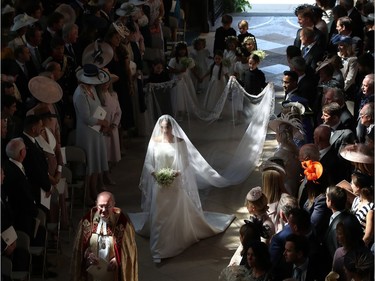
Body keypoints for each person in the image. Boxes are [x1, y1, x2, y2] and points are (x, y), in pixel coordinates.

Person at [129, 115, 235, 263]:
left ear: (172, 127)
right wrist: (156, 174)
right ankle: (158, 249)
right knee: (159, 215)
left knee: (175, 213)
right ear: (160, 128)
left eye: (168, 127)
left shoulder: (180, 142)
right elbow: (148, 163)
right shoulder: (154, 142)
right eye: (163, 127)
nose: (165, 130)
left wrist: (173, 174)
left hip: (174, 182)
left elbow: (184, 165)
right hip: (158, 183)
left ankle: (175, 240)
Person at [71, 191, 138, 281]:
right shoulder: (87, 222)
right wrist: (87, 254)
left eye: (108, 206)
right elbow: (79, 248)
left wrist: (117, 260)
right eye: (101, 206)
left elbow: (129, 252)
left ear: (113, 205)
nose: (104, 210)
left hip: (113, 274)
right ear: (96, 204)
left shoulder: (123, 224)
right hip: (92, 273)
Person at [73, 64, 111, 204]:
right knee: (89, 163)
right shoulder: (80, 94)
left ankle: (94, 189)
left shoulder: (92, 89)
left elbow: (97, 107)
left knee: (96, 162)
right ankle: (87, 193)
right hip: (87, 133)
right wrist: (103, 122)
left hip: (96, 131)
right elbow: (86, 118)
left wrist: (102, 121)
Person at [96, 69, 122, 186]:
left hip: (112, 128)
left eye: (108, 82)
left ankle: (107, 174)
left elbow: (118, 112)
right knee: (104, 155)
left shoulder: (113, 95)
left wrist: (113, 125)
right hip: (102, 129)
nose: (106, 84)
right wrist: (103, 126)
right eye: (104, 82)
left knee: (112, 154)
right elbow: (96, 114)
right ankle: (104, 177)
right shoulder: (97, 97)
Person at [350, 170, 374, 247]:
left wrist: (358, 250)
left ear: (358, 187)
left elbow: (368, 236)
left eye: (352, 183)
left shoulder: (371, 207)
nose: (350, 185)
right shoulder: (356, 200)